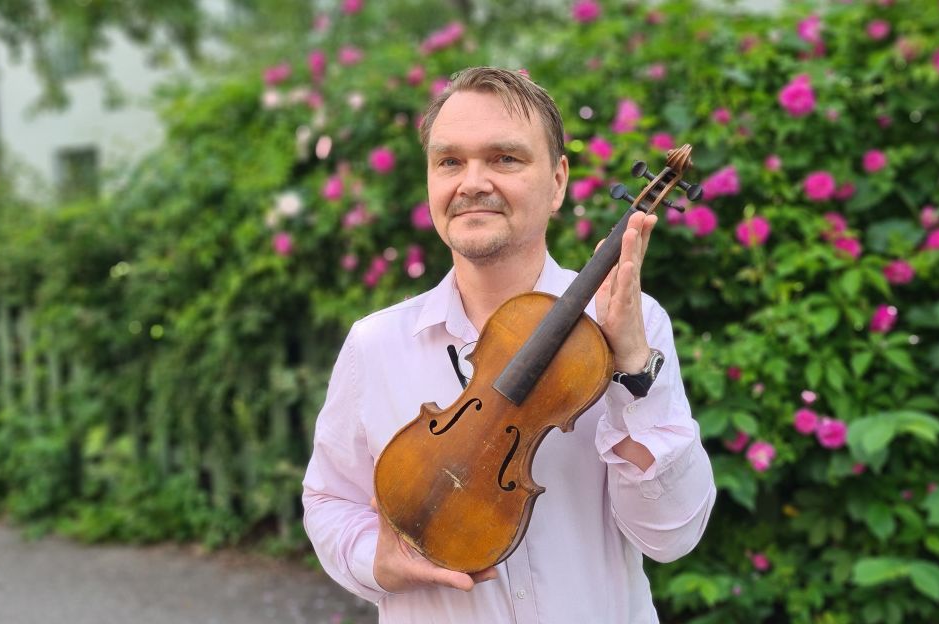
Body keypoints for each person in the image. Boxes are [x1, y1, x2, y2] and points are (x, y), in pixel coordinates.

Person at [302, 66, 715, 624]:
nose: (472, 182)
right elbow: (329, 500)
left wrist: (634, 372)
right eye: (450, 161)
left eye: (505, 158)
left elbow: (672, 533)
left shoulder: (629, 325)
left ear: (558, 182)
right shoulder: (376, 344)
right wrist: (374, 560)